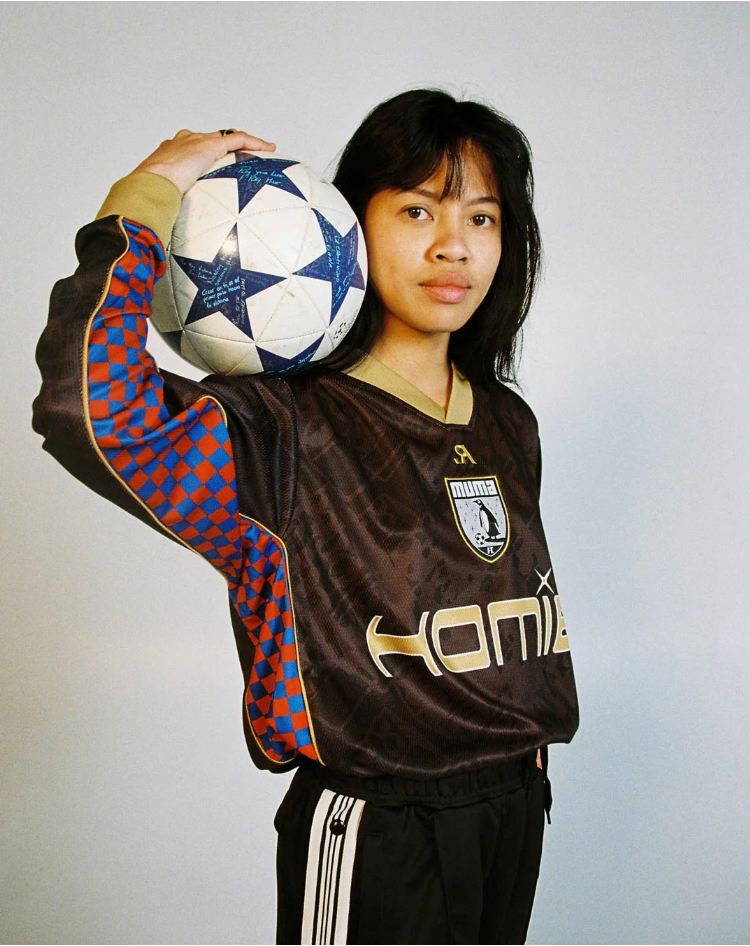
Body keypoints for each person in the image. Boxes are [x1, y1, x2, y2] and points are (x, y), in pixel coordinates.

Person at [32, 88, 579, 945]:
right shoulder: (281, 428)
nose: (453, 246)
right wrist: (147, 191)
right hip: (380, 825)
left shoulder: (509, 422)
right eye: (417, 209)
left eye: (483, 217)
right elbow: (85, 405)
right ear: (351, 226)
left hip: (513, 810)